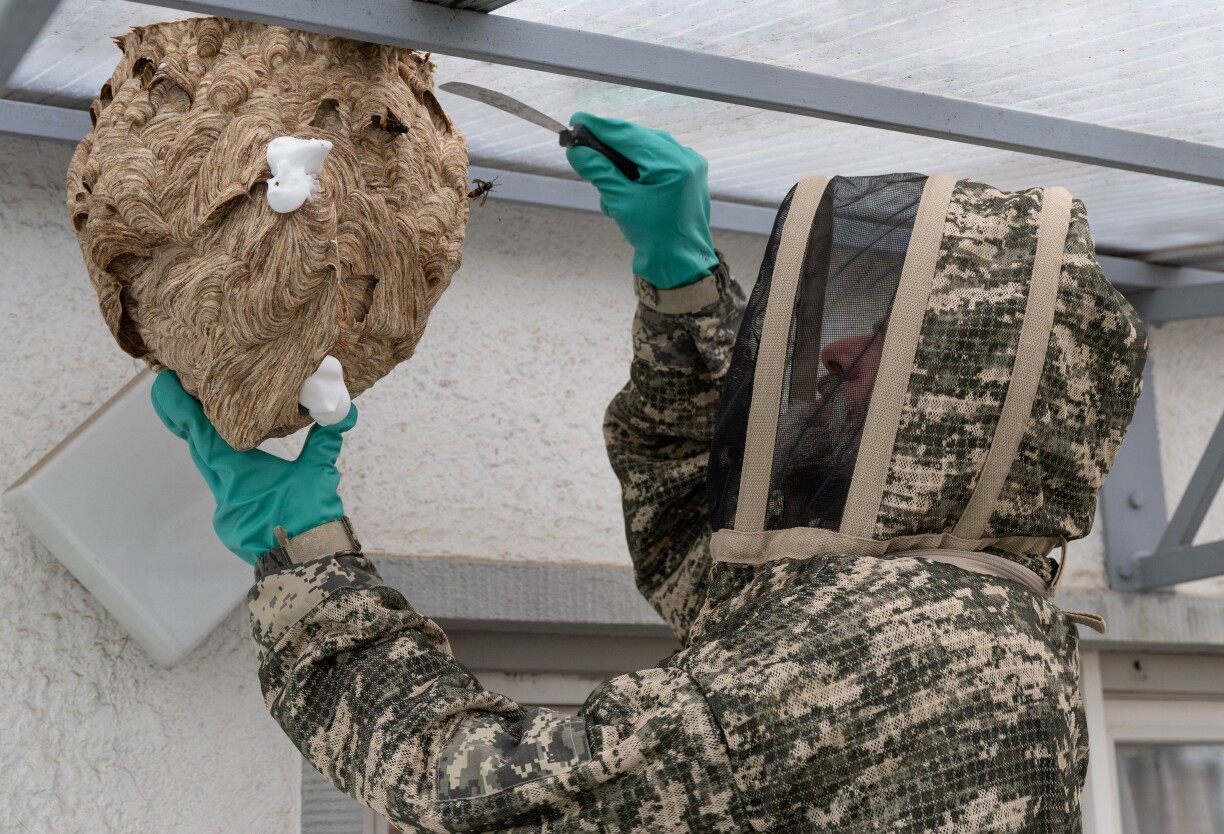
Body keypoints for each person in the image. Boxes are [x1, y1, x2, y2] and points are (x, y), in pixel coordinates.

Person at [153, 114, 1147, 832]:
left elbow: (480, 798)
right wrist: (685, 286)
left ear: (956, 397)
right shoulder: (951, 605)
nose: (838, 354)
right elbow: (698, 547)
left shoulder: (909, 644)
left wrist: (305, 553)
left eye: (879, 342)